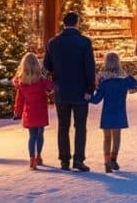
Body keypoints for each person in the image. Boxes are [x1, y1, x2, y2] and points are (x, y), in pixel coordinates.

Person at [44, 11, 97, 171]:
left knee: (63, 126)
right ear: (77, 23)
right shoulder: (84, 42)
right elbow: (90, 67)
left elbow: (47, 66)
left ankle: (64, 160)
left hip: (61, 91)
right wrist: (90, 88)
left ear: (63, 23)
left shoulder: (53, 43)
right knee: (80, 126)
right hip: (81, 91)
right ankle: (79, 159)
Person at [89, 51, 137, 173]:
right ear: (118, 63)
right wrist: (126, 75)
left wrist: (87, 97)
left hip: (107, 113)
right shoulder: (124, 80)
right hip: (119, 112)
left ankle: (107, 162)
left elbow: (96, 100)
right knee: (116, 137)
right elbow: (135, 86)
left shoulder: (104, 81)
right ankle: (114, 159)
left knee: (107, 138)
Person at [12, 52, 55, 169]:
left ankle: (32, 160)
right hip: (41, 111)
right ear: (37, 65)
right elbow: (52, 87)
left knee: (32, 136)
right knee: (40, 133)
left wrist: (17, 111)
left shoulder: (22, 83)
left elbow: (19, 99)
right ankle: (38, 156)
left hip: (29, 112)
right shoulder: (41, 81)